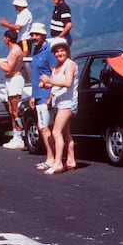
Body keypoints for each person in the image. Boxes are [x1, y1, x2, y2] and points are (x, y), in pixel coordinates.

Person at [39, 38, 78, 174]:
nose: (59, 53)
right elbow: (55, 83)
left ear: (67, 51)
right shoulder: (56, 67)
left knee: (56, 132)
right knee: (65, 133)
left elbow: (67, 83)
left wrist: (50, 81)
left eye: (62, 50)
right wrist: (46, 84)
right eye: (56, 51)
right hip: (59, 102)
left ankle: (58, 163)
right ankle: (71, 161)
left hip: (67, 103)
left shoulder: (70, 64)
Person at [0, 29, 25, 149]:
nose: (4, 40)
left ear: (8, 38)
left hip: (15, 81)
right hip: (11, 81)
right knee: (11, 110)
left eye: (4, 38)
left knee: (15, 111)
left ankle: (19, 137)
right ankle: (16, 136)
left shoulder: (14, 51)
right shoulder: (14, 51)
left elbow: (8, 69)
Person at [28, 22, 57, 170]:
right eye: (32, 34)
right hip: (38, 96)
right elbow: (36, 76)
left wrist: (51, 96)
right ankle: (52, 157)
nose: (34, 37)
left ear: (43, 35)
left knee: (45, 127)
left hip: (46, 95)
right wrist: (33, 96)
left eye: (37, 34)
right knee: (44, 127)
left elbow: (55, 73)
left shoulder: (48, 51)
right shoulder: (36, 50)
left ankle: (51, 159)